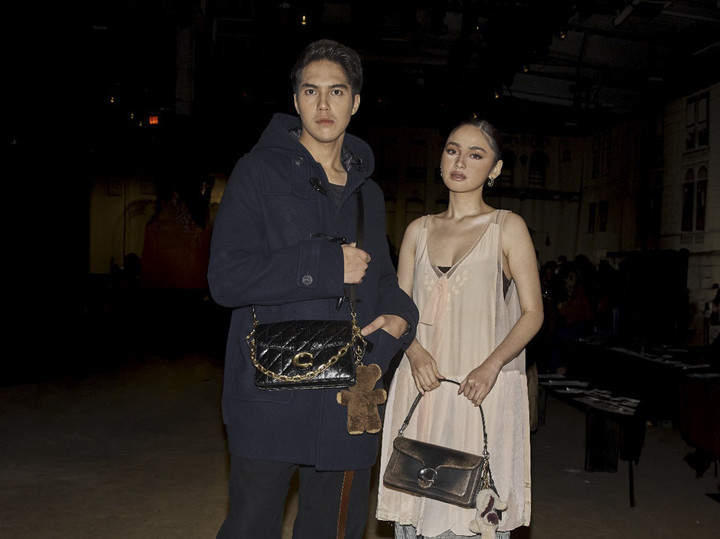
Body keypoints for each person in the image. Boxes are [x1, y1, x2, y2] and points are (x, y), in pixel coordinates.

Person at [207, 39, 419, 539]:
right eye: (311, 91)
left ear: (355, 102)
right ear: (296, 100)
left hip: (349, 396)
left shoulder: (369, 193)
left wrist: (400, 319)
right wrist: (325, 264)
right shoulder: (256, 172)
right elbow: (226, 278)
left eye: (337, 91)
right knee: (251, 527)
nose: (324, 104)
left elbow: (382, 280)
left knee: (335, 529)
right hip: (270, 392)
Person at [376, 118, 543, 538]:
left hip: (478, 388)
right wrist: (414, 351)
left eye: (475, 154)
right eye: (452, 150)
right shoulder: (418, 230)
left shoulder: (507, 227)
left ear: (495, 169)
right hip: (422, 383)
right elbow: (399, 311)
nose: (461, 162)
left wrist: (491, 366)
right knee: (415, 495)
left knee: (470, 504)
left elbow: (533, 313)